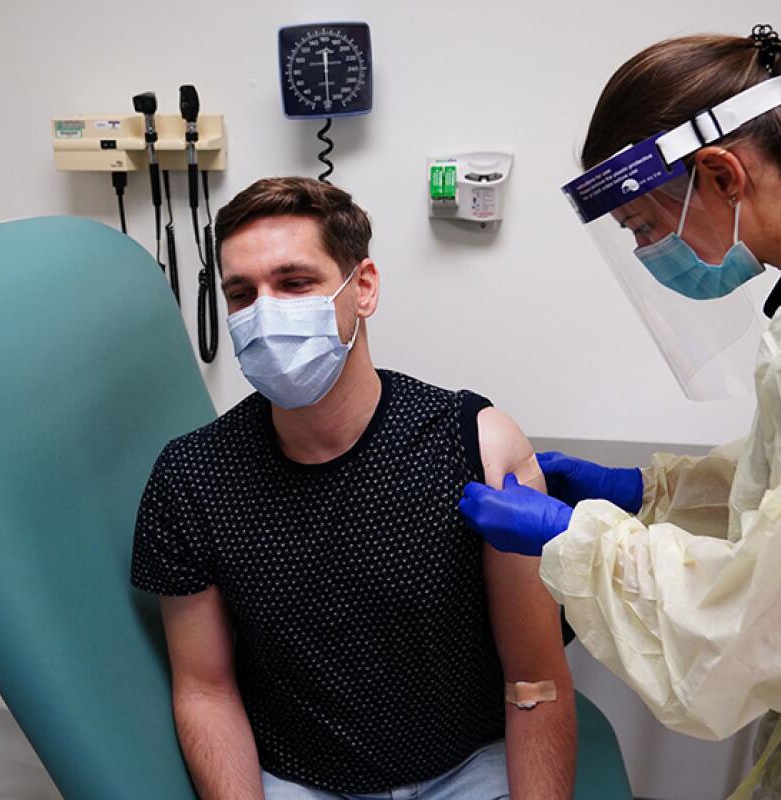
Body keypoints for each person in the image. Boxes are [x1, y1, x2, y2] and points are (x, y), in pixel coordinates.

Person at [459, 25, 781, 800]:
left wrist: (580, 544)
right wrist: (655, 494)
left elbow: (759, 624)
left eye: (644, 226)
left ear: (721, 173)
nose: (649, 252)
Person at [131, 177, 576, 799]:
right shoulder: (192, 479)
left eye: (294, 283)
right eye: (241, 294)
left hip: (467, 772)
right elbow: (205, 689)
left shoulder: (474, 445)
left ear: (362, 287)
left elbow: (535, 678)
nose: (264, 313)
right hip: (298, 780)